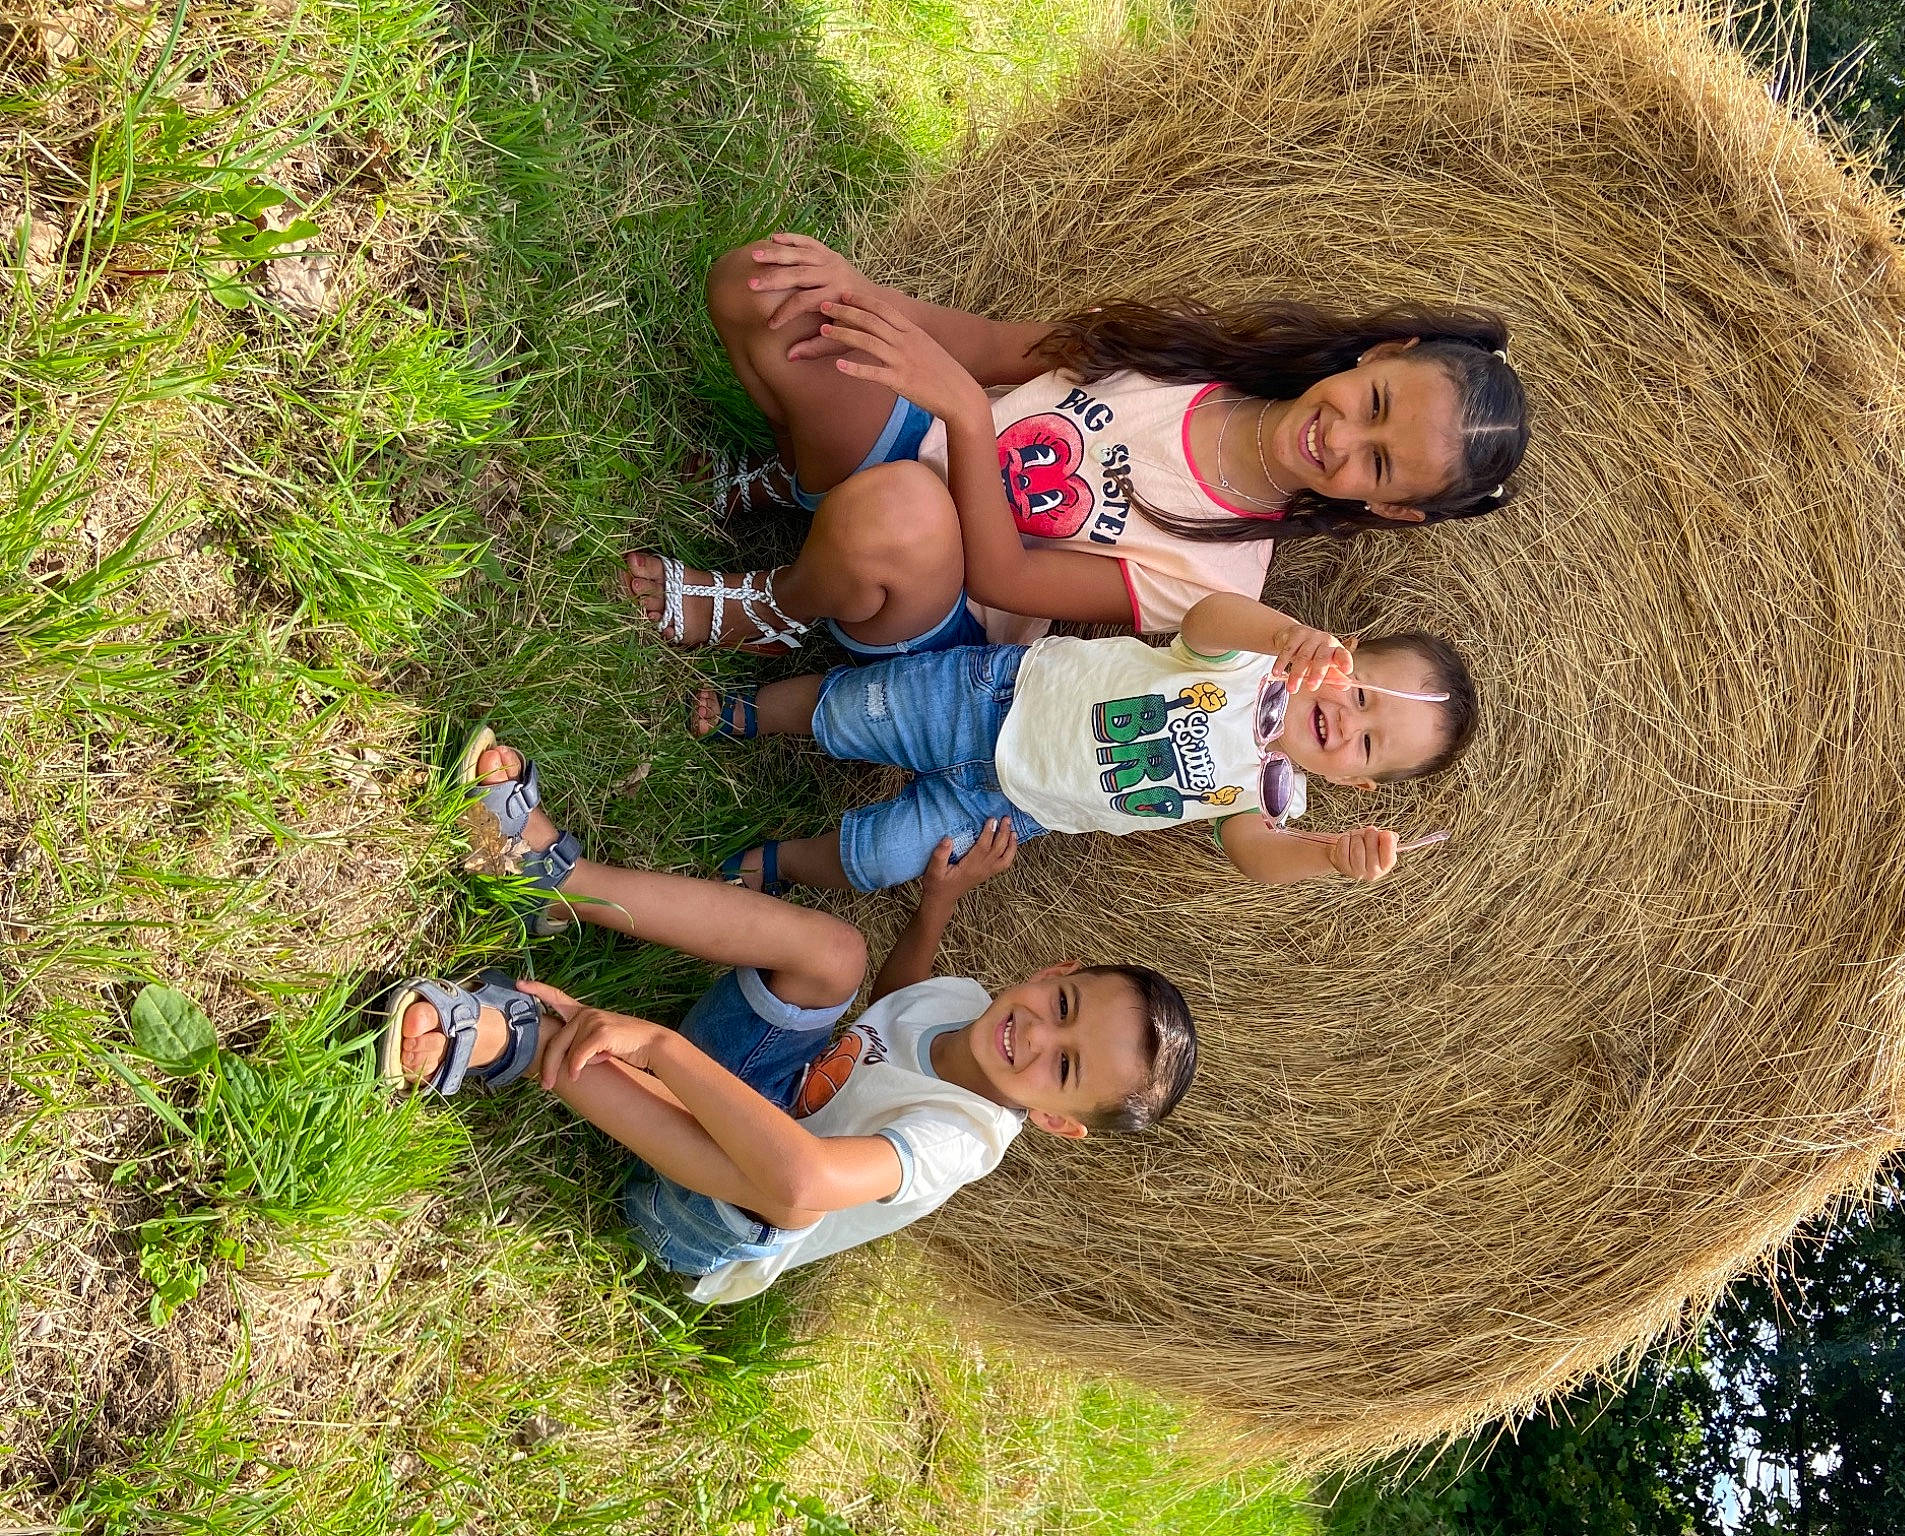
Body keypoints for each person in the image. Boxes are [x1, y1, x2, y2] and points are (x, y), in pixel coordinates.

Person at [380, 731, 1197, 1303]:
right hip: (744, 1088)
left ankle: (520, 1042)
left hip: (700, 1213)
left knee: (798, 1198)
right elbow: (895, 1009)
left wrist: (657, 1047)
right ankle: (554, 881)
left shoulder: (963, 1140)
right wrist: (935, 907)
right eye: (1062, 1007)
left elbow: (802, 1178)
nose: (1039, 1035)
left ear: (1055, 1122)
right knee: (837, 953)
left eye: (1064, 1066)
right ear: (1057, 972)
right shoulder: (972, 1009)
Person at [623, 232, 1527, 657]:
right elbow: (985, 348)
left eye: (1378, 462)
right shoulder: (1197, 355)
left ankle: (773, 610)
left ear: (1388, 508)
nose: (1343, 436)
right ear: (1381, 354)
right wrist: (861, 294)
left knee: (898, 511)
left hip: (937, 576)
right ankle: (799, 481)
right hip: (917, 436)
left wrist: (967, 416)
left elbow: (1003, 580)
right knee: (763, 288)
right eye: (1374, 403)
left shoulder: (1218, 575)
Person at [691, 591, 1476, 894]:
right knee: (860, 709)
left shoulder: (1266, 799)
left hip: (1012, 807)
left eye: (1367, 745)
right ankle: (751, 712)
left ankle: (784, 864)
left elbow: (1254, 857)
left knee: (885, 859)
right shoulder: (1253, 661)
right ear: (1342, 652)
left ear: (1354, 785)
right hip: (994, 699)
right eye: (1362, 695)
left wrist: (1328, 856)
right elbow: (1203, 620)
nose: (1347, 722)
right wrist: (1285, 634)